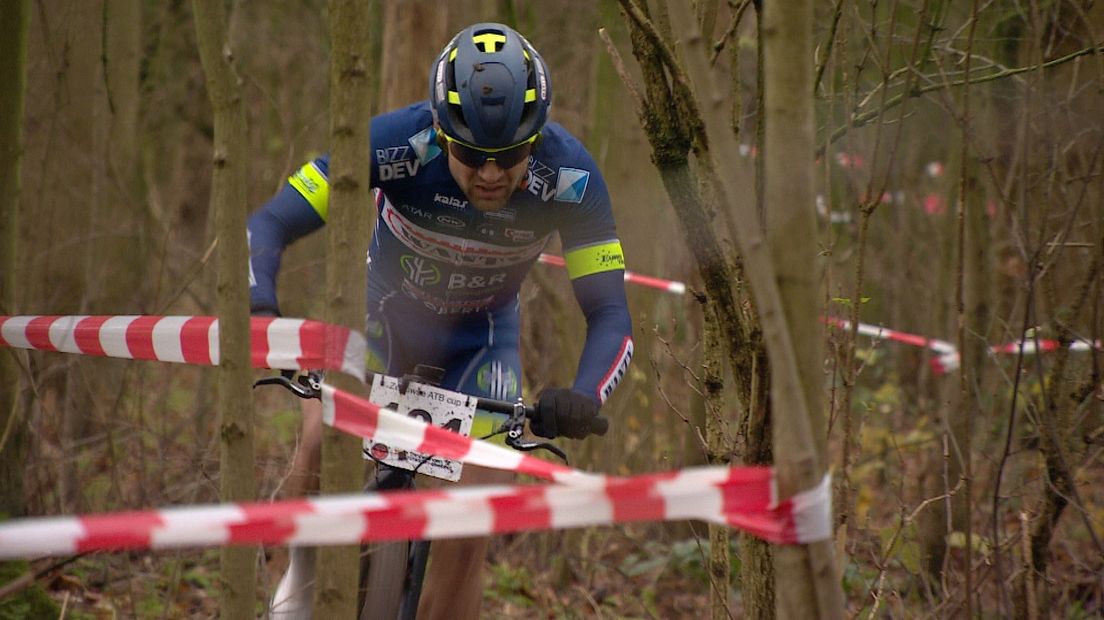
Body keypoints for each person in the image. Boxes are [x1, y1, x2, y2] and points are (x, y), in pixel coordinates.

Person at [248, 22, 633, 619]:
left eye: (508, 156)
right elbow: (268, 225)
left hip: (479, 346)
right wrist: (261, 312)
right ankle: (296, 585)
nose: (490, 174)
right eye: (471, 154)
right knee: (322, 439)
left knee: (468, 527)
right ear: (439, 130)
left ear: (537, 138)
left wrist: (583, 395)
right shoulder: (395, 145)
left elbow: (610, 310)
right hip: (380, 323)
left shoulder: (570, 180)